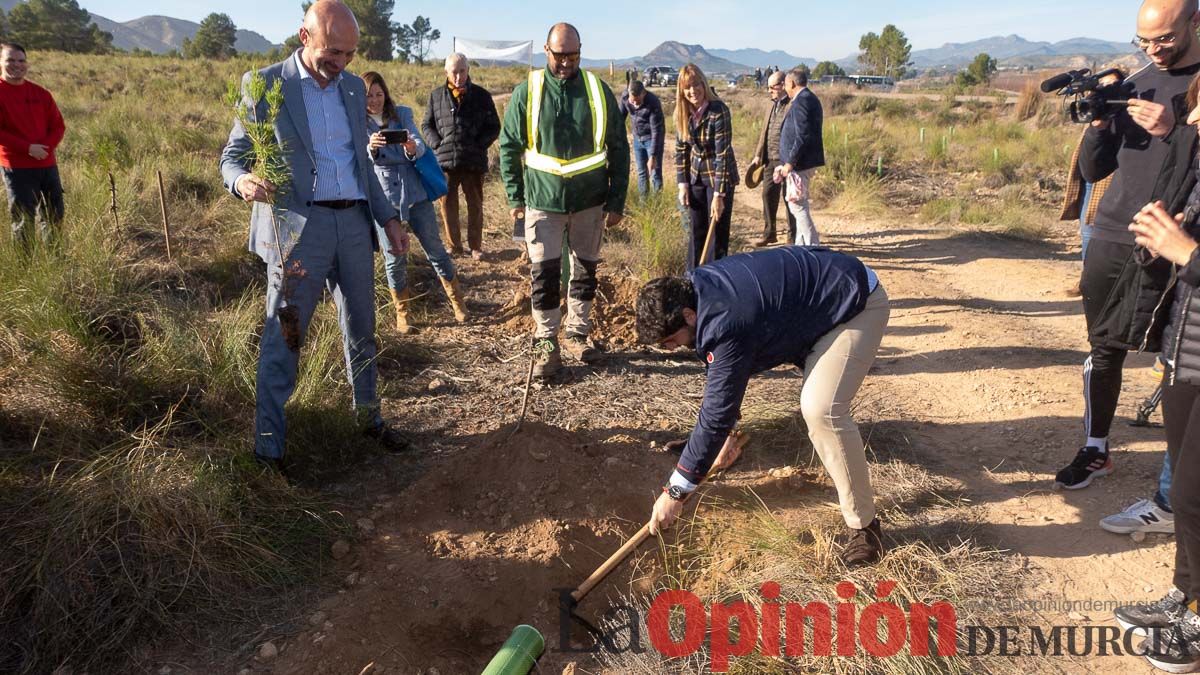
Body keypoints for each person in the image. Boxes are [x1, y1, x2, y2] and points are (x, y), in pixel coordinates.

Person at [219, 1, 410, 469]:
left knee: (362, 328)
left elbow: (361, 164)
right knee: (284, 335)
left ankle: (368, 419)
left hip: (354, 224)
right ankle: (269, 448)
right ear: (304, 37)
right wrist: (242, 182)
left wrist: (387, 218)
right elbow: (232, 156)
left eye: (349, 55)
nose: (341, 64)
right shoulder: (264, 85)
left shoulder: (349, 87)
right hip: (298, 232)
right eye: (332, 53)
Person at [637, 246, 891, 566]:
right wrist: (724, 435)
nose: (670, 349)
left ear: (688, 315)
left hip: (854, 304)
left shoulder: (725, 320)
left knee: (821, 409)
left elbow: (717, 410)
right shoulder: (697, 293)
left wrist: (675, 493)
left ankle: (865, 529)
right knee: (811, 401)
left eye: (669, 340)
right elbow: (725, 381)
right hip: (814, 306)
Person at [1055, 0, 1200, 491]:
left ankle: (1173, 484)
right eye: (1144, 41)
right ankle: (1095, 448)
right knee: (1103, 347)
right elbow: (1097, 171)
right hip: (1114, 232)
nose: (1153, 50)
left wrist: (1174, 130)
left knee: (1176, 357)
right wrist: (1099, 126)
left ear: (1195, 22)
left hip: (1177, 241)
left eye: (1165, 39)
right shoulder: (1136, 82)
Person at [1118, 89, 1200, 668]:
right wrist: (1157, 242)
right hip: (1186, 346)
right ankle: (1185, 594)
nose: (1194, 117)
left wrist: (1186, 251)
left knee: (1196, 495)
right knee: (1187, 497)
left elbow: (1192, 253)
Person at [498, 22, 629, 379]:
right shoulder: (529, 91)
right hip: (543, 201)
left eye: (573, 55)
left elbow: (618, 147)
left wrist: (616, 200)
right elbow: (509, 147)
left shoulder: (597, 90)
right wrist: (516, 197)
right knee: (544, 276)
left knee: (585, 271)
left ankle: (578, 334)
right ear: (546, 50)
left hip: (590, 201)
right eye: (560, 56)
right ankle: (545, 347)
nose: (566, 63)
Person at [364, 71, 468, 334]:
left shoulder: (402, 113)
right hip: (384, 200)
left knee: (435, 249)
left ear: (385, 93)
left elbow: (420, 144)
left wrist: (412, 147)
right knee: (394, 258)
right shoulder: (357, 122)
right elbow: (357, 157)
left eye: (379, 94)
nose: (375, 100)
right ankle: (403, 315)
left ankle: (458, 303)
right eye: (369, 95)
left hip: (415, 194)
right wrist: (371, 147)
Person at [422, 53, 500, 261]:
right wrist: (437, 145)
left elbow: (494, 127)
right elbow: (426, 125)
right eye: (454, 72)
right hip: (445, 162)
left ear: (468, 70)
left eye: (462, 71)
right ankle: (454, 246)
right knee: (447, 205)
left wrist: (478, 145)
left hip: (473, 162)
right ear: (446, 72)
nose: (458, 76)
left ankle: (475, 247)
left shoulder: (482, 96)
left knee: (475, 204)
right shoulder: (436, 96)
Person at [0, 43, 64, 251]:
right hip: (17, 167)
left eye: (21, 60)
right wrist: (28, 148)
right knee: (23, 220)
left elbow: (58, 125)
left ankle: (55, 260)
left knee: (54, 215)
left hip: (47, 165)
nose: (16, 65)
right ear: (1, 62)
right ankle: (25, 268)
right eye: (10, 60)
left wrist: (45, 147)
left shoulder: (40, 94)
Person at [674, 63, 736, 270]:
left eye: (697, 85)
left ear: (704, 84)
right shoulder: (682, 113)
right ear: (682, 91)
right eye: (688, 87)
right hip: (696, 178)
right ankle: (692, 281)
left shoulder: (718, 111)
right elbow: (681, 149)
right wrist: (682, 183)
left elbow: (723, 155)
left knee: (716, 235)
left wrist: (719, 195)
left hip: (719, 177)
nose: (693, 91)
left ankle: (716, 284)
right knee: (696, 232)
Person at [774, 67, 824, 246]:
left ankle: (812, 248)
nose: (785, 88)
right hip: (802, 162)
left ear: (791, 83)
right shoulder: (808, 98)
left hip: (800, 164)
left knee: (798, 206)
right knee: (798, 205)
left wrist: (790, 162)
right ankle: (801, 247)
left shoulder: (802, 101)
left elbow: (802, 135)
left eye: (785, 84)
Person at [748, 71, 796, 247]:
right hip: (769, 159)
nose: (769, 91)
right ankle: (770, 233)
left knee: (788, 198)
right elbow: (765, 132)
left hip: (786, 160)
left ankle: (792, 236)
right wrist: (758, 154)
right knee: (768, 194)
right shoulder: (771, 105)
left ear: (783, 85)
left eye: (772, 87)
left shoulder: (793, 104)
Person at [619, 80, 665, 195]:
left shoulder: (653, 102)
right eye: (632, 101)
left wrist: (653, 156)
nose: (635, 104)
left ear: (643, 93)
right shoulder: (625, 97)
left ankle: (657, 204)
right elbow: (619, 119)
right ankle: (643, 204)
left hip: (652, 139)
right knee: (642, 172)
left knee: (654, 172)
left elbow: (656, 131)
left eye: (637, 101)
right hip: (637, 139)